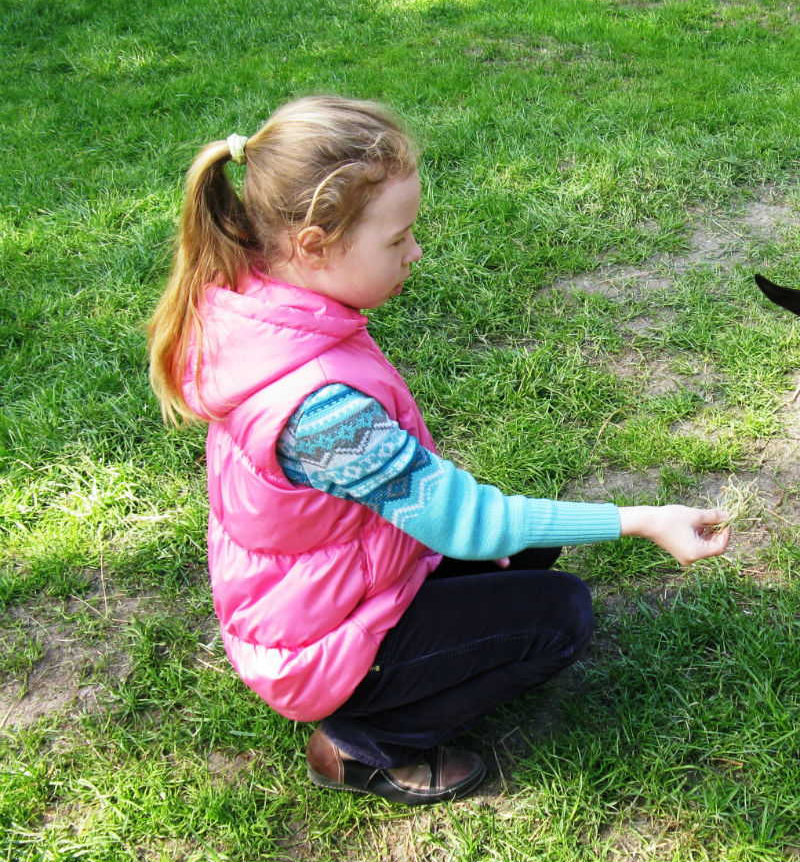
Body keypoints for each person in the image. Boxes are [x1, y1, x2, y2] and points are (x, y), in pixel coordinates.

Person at [146, 95, 730, 807]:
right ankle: (363, 744)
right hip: (314, 645)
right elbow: (469, 524)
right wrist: (641, 518)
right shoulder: (319, 409)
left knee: (525, 551)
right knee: (560, 613)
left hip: (333, 583)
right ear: (314, 243)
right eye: (397, 240)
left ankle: (396, 675)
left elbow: (464, 518)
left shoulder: (263, 301)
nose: (415, 253)